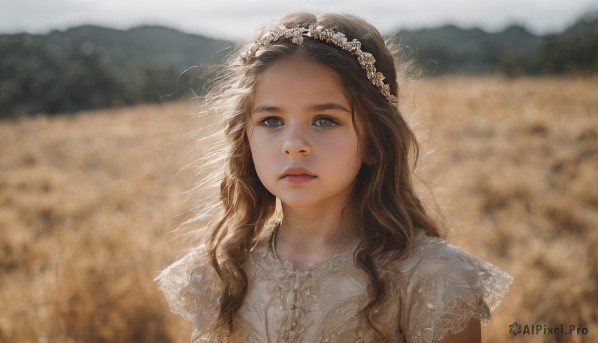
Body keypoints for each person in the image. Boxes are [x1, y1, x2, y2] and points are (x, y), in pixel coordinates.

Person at [155, 11, 513, 343]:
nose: (294, 145)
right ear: (244, 139)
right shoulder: (219, 272)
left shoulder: (433, 278)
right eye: (271, 121)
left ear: (374, 141)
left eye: (325, 120)